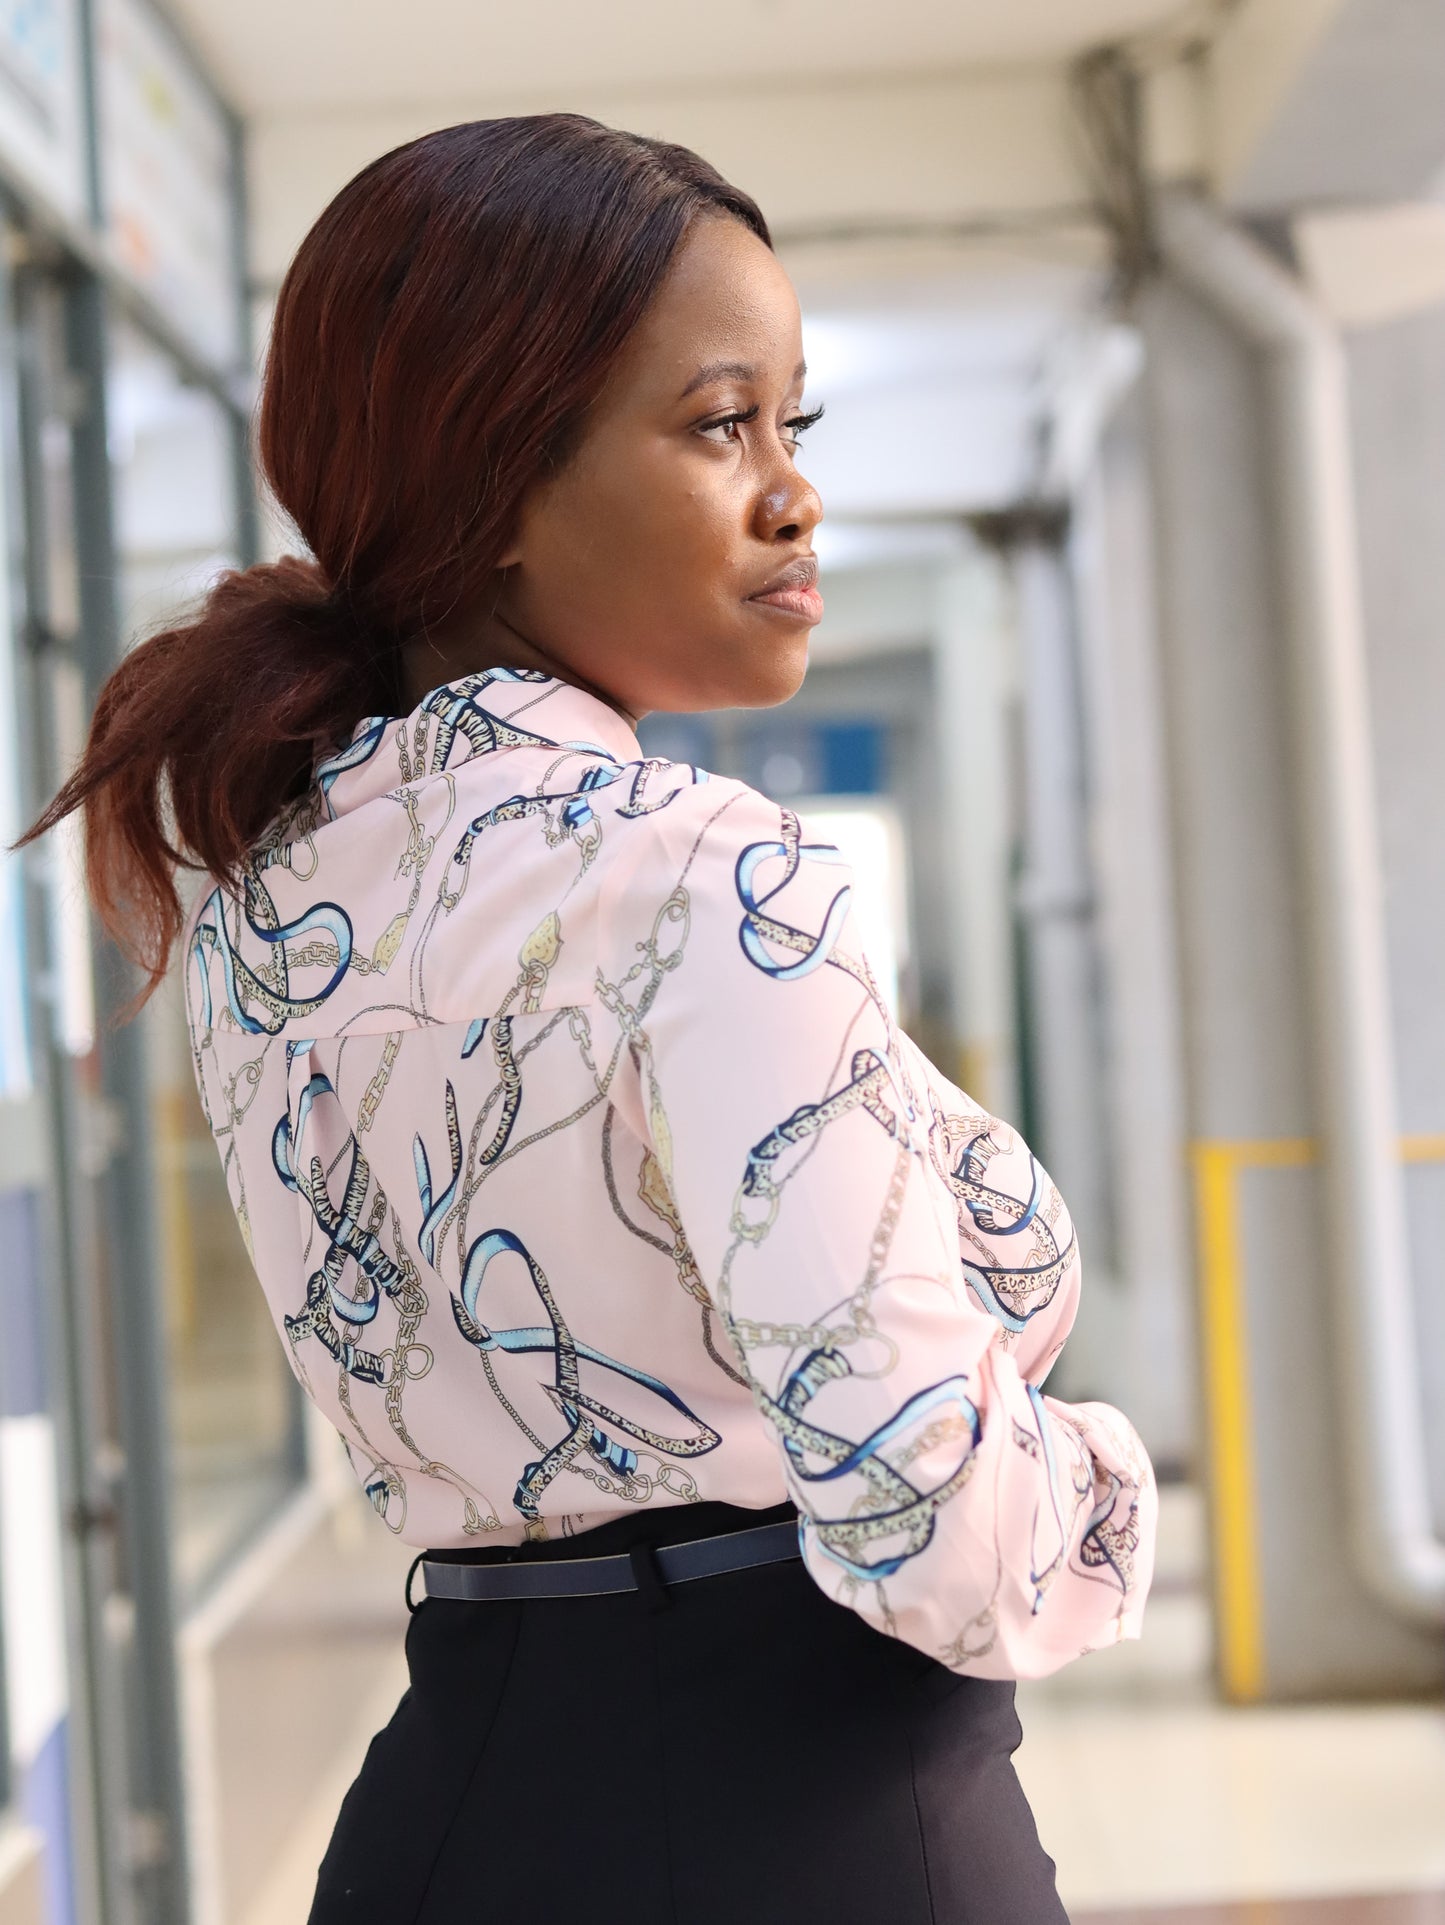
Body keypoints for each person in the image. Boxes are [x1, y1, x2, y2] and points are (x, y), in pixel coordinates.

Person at [27, 115, 1156, 1923]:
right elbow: (942, 1534)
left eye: (798, 425)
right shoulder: (708, 871)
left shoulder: (270, 900)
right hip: (814, 1823)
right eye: (720, 425)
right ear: (492, 477)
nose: (790, 492)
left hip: (446, 1811)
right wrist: (1098, 1470)